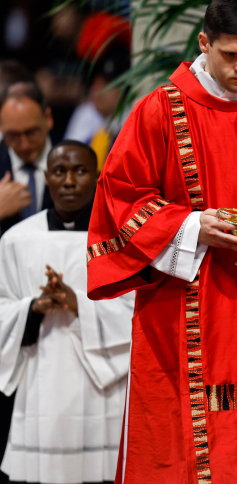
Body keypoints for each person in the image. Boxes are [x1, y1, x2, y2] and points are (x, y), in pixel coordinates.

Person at [86, 1, 237, 482]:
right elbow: (120, 197)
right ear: (204, 43)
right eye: (230, 56)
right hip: (183, 306)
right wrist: (191, 226)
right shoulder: (160, 109)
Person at [0, 140, 132, 484]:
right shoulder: (16, 240)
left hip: (103, 388)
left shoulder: (120, 240)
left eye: (80, 171)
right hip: (40, 381)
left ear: (98, 177)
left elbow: (139, 315)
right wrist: (31, 308)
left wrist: (79, 305)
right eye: (60, 172)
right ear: (47, 178)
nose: (69, 181)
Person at [0, 82, 55, 237]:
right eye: (13, 135)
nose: (24, 145)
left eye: (31, 132)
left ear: (48, 118)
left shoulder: (74, 163)